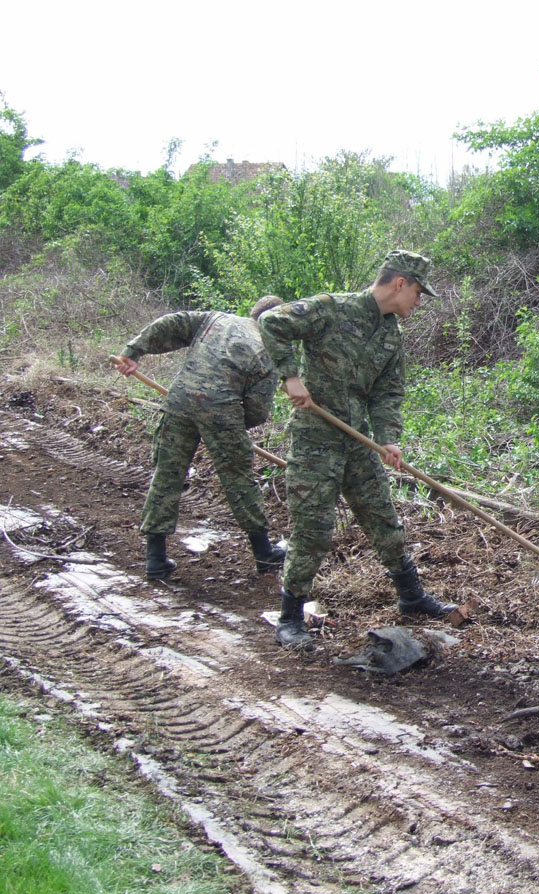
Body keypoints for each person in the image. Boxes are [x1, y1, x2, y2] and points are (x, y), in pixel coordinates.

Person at [257, 249, 455, 650]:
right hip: (316, 440)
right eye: (419, 292)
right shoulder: (330, 309)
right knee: (313, 529)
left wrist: (388, 438)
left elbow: (388, 392)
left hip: (357, 440)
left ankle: (411, 596)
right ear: (400, 283)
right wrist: (290, 377)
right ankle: (290, 617)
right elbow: (271, 322)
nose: (419, 302)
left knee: (383, 518)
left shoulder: (391, 334)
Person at [114, 296, 289, 579]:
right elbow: (257, 411)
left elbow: (171, 324)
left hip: (180, 402)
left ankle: (155, 559)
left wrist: (133, 351)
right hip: (223, 413)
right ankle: (264, 553)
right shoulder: (269, 351)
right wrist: (227, 425)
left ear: (252, 313)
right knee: (239, 480)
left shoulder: (216, 319)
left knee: (167, 474)